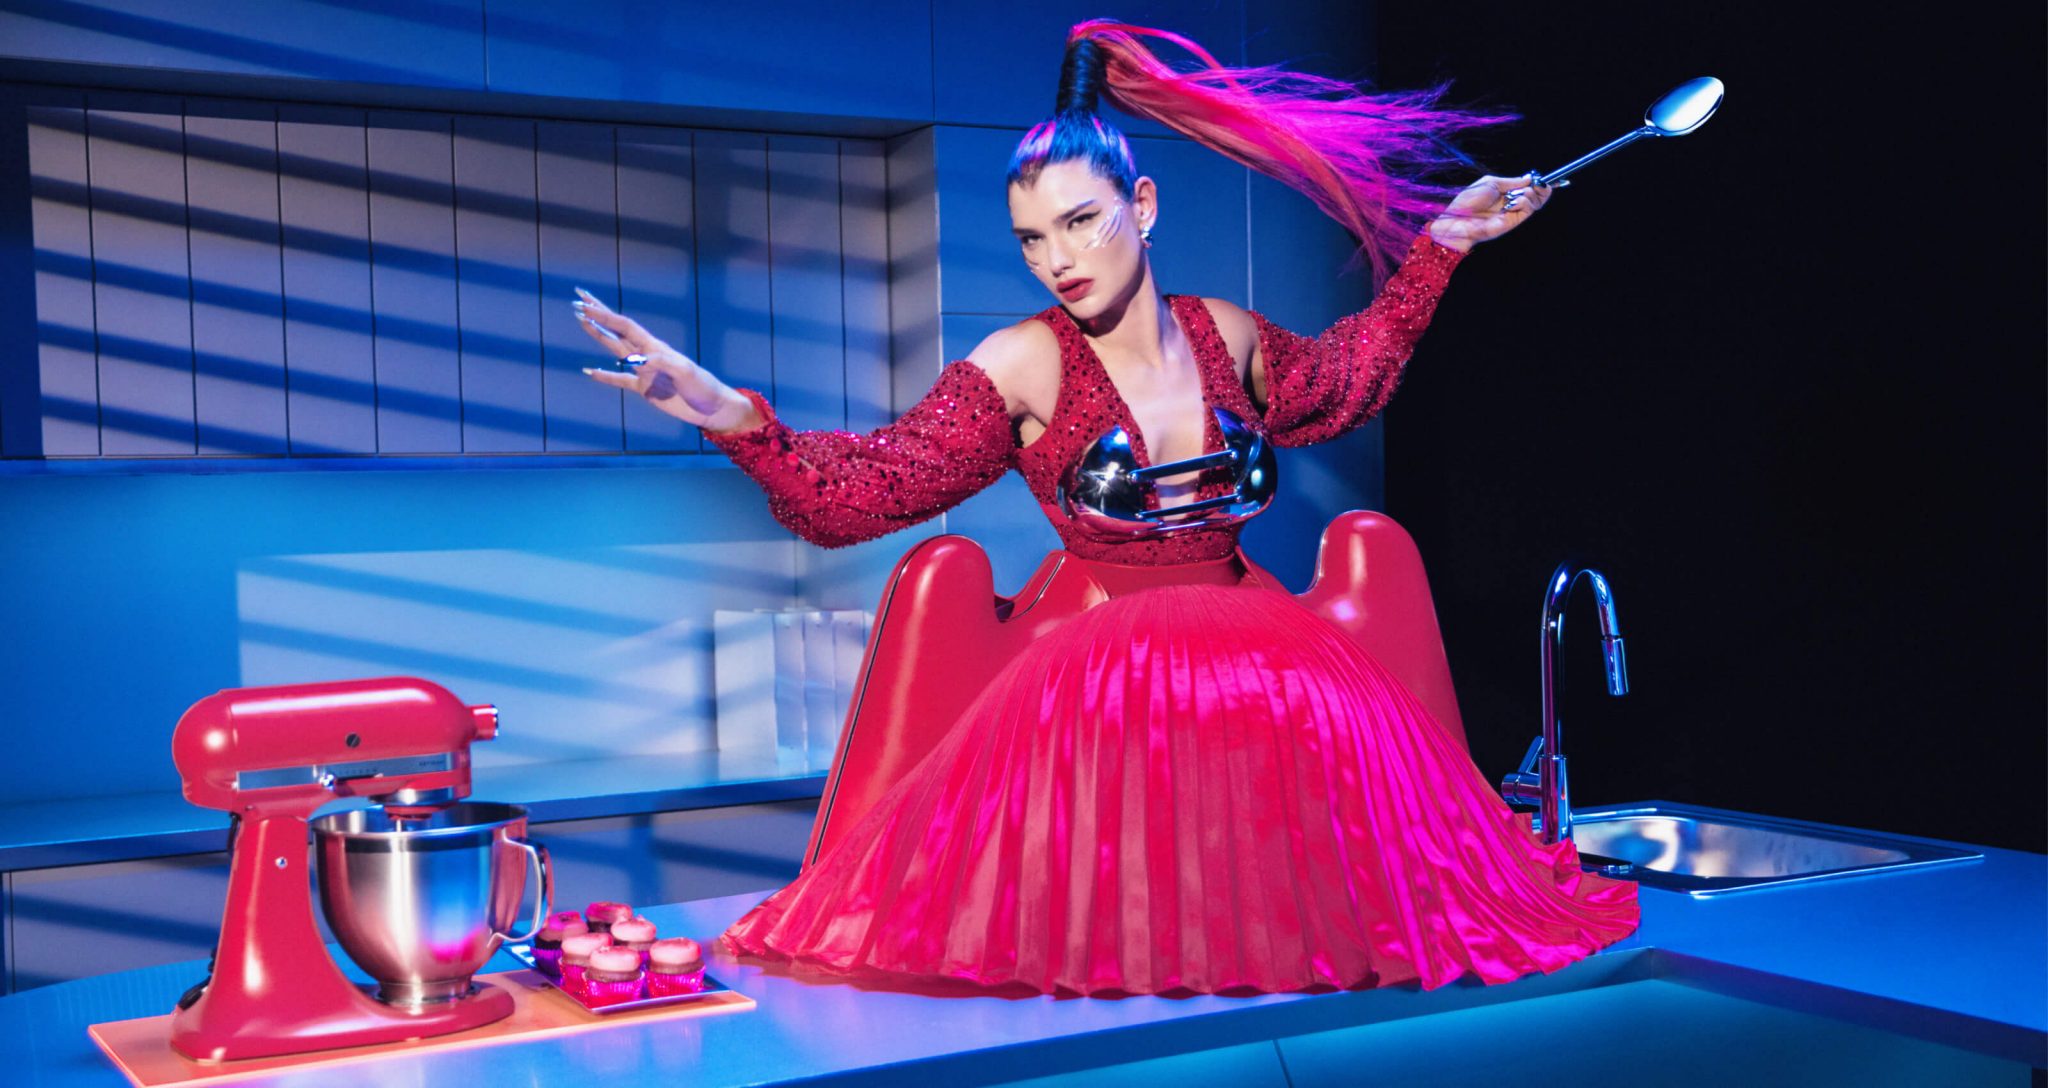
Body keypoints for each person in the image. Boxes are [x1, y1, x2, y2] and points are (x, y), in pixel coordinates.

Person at [574, 20, 1639, 996]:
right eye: (1033, 238)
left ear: (1141, 208)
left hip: (1281, 698)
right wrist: (724, 412)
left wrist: (1442, 245)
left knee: (1333, 971)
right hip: (1109, 705)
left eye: (1079, 222)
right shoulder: (1025, 360)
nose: (1059, 259)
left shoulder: (1222, 333)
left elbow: (1345, 378)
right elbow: (864, 491)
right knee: (1127, 979)